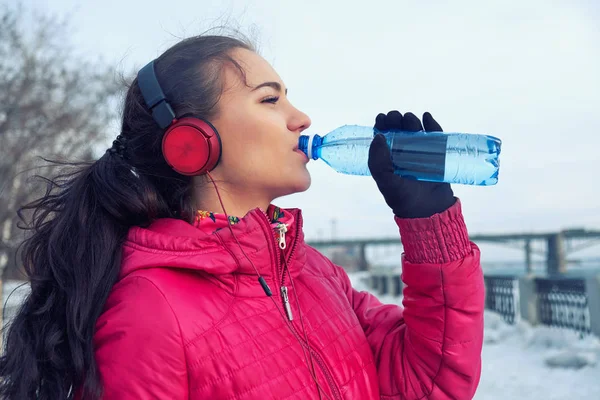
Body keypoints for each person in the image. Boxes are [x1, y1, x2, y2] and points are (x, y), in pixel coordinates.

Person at [0, 34, 484, 400]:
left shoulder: (313, 273)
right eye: (270, 99)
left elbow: (429, 381)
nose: (302, 118)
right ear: (193, 140)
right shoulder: (149, 310)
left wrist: (429, 225)